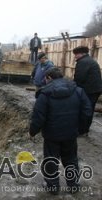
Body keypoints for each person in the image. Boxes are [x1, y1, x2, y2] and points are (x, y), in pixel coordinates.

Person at [29, 67, 92, 195]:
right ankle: (73, 185)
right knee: (71, 159)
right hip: (70, 134)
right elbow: (87, 111)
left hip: (52, 136)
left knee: (51, 160)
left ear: (49, 78)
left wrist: (32, 132)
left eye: (45, 79)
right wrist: (81, 129)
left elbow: (38, 116)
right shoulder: (78, 90)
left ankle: (52, 187)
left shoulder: (45, 94)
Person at [73, 46, 102, 136]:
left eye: (76, 55)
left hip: (89, 90)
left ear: (82, 54)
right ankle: (85, 129)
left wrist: (73, 88)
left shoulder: (83, 62)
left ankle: (82, 131)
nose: (75, 57)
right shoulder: (90, 60)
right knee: (89, 109)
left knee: (85, 110)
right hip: (94, 90)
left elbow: (79, 78)